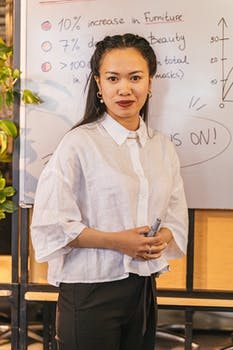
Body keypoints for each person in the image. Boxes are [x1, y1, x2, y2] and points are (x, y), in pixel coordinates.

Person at [31, 33, 188, 350]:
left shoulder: (162, 146)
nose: (125, 89)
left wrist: (163, 237)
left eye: (135, 77)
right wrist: (119, 242)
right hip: (89, 290)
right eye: (113, 78)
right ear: (99, 85)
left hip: (143, 288)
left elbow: (174, 213)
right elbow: (52, 224)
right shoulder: (78, 143)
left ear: (150, 82)